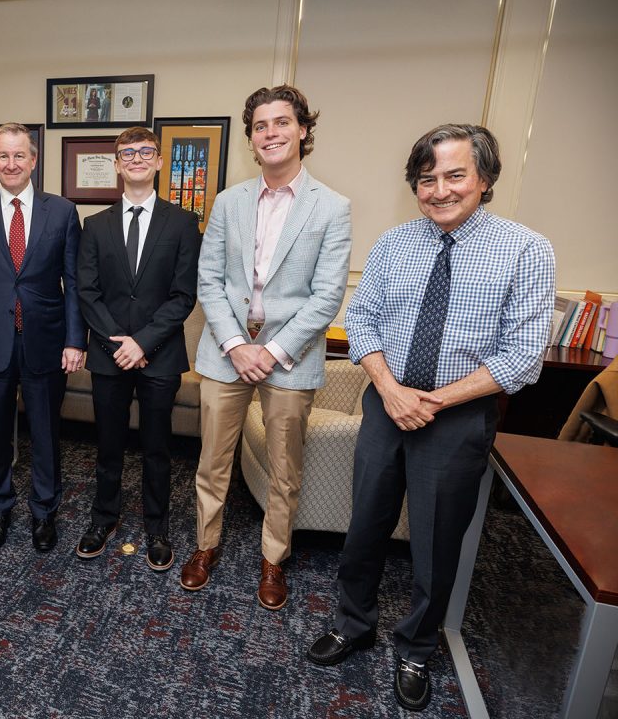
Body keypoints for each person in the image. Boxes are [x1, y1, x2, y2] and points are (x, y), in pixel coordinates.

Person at [306, 124, 555, 712]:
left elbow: (522, 356)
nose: (440, 190)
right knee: (363, 522)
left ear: (485, 179)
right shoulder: (394, 243)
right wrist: (391, 390)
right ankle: (353, 621)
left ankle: (417, 644)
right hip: (386, 403)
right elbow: (361, 321)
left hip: (458, 416)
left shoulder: (525, 250)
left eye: (454, 175)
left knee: (437, 543)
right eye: (426, 180)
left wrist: (433, 401)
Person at [185, 85, 351, 610]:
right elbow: (208, 279)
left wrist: (272, 351)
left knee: (285, 470)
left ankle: (273, 560)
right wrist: (237, 346)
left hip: (291, 359)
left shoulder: (333, 207)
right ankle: (205, 546)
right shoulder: (229, 201)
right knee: (212, 462)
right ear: (251, 140)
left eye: (281, 122)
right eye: (260, 126)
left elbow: (327, 296)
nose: (271, 133)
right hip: (225, 353)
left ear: (303, 130)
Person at [0, 122, 86, 552]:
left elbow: (73, 280)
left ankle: (45, 512)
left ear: (34, 160)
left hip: (46, 338)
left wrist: (76, 339)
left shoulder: (61, 211)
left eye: (19, 155)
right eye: (2, 156)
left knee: (45, 432)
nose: (10, 163)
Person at [74, 127, 200, 570]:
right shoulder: (95, 225)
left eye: (146, 151)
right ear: (117, 163)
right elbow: (87, 293)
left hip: (160, 355)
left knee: (156, 448)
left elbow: (183, 295)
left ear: (160, 161)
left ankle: (157, 526)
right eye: (128, 153)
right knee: (107, 446)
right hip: (109, 357)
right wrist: (118, 345)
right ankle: (103, 518)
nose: (137, 158)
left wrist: (142, 342)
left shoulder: (183, 223)